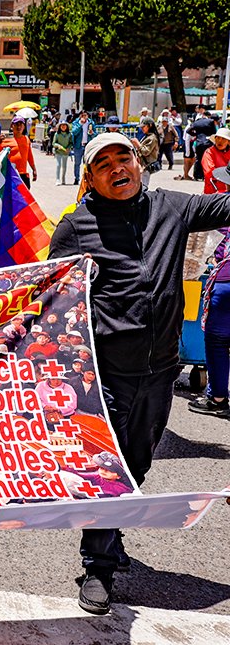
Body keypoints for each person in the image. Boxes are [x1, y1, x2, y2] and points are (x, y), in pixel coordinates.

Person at [48, 131, 230, 615]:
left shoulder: (172, 207)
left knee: (138, 464)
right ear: (90, 178)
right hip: (105, 374)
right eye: (103, 163)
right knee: (108, 470)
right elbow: (52, 302)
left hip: (161, 370)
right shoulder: (76, 227)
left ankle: (110, 531)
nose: (116, 168)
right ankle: (98, 567)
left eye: (123, 157)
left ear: (138, 163)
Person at [3, 116, 37, 186]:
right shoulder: (6, 141)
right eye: (16, 124)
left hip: (23, 175)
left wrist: (34, 169)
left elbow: (29, 156)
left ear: (24, 127)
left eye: (21, 124)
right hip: (10, 175)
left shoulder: (26, 139)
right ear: (12, 126)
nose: (19, 127)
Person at [200, 128, 230, 195]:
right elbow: (209, 172)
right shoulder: (209, 152)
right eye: (218, 138)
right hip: (213, 191)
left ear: (228, 142)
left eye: (223, 139)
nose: (220, 141)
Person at [70, 111, 93, 185]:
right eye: (82, 115)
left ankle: (87, 179)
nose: (84, 117)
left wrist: (92, 133)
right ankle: (77, 178)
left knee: (87, 163)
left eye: (85, 115)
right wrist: (80, 124)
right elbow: (74, 132)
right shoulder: (76, 122)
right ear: (80, 116)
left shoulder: (91, 123)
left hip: (87, 145)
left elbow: (95, 134)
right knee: (77, 163)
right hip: (78, 146)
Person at [52, 121, 73, 185]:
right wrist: (58, 146)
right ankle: (57, 179)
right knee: (58, 165)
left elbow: (71, 143)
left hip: (65, 152)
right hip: (58, 152)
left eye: (64, 125)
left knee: (64, 166)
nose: (63, 127)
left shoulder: (69, 134)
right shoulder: (57, 134)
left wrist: (68, 148)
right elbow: (53, 143)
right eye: (62, 125)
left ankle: (63, 179)